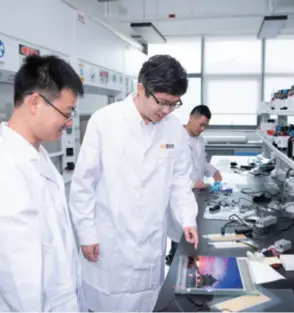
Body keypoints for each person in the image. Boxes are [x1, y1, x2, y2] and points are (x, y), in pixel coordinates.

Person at [69, 54, 199, 312]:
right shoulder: (105, 121)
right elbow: (84, 185)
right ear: (141, 88)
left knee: (148, 304)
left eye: (174, 105)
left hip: (150, 243)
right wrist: (86, 234)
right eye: (162, 102)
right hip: (109, 240)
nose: (166, 111)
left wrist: (187, 219)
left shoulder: (173, 130)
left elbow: (179, 181)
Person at [0, 55, 85, 311]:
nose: (69, 123)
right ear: (35, 102)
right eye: (66, 113)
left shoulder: (38, 154)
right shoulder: (8, 167)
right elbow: (18, 276)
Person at [166, 105, 222, 265]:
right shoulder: (175, 139)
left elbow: (201, 163)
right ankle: (174, 263)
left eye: (206, 126)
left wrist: (214, 172)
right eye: (201, 124)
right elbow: (171, 171)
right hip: (181, 196)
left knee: (191, 232)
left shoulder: (200, 140)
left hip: (196, 195)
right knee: (181, 237)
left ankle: (185, 262)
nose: (202, 129)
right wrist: (191, 183)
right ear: (191, 118)